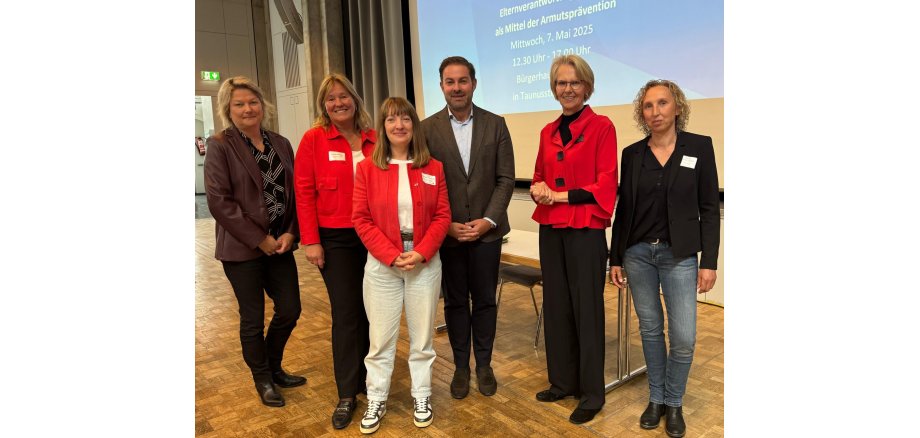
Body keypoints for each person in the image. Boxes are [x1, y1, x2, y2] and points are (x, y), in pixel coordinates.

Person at [609, 79, 719, 438]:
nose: (655, 112)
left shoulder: (699, 148)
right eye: (648, 106)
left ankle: (675, 402)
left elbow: (707, 207)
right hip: (638, 254)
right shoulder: (632, 154)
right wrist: (616, 258)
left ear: (677, 107)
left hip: (680, 256)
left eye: (662, 103)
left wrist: (709, 261)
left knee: (684, 336)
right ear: (642, 113)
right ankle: (656, 400)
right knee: (651, 331)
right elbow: (623, 209)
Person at [204, 76, 305, 408]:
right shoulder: (220, 144)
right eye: (239, 104)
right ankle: (262, 378)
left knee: (290, 309)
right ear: (227, 109)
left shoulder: (281, 142)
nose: (248, 109)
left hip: (280, 245)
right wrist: (257, 238)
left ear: (263, 105)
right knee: (252, 318)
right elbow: (220, 201)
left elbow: (294, 195)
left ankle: (274, 366)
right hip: (242, 249)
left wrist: (291, 231)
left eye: (253, 102)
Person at [352, 97, 451, 434]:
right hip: (383, 265)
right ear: (382, 127)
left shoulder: (433, 167)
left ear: (414, 125)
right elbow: (361, 219)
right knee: (380, 339)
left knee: (422, 338)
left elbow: (442, 215)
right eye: (391, 119)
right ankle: (376, 397)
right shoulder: (367, 168)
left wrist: (422, 252)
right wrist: (391, 254)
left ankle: (422, 395)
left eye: (405, 119)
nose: (399, 125)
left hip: (424, 261)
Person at [419, 56, 515, 399]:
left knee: (486, 300)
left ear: (473, 83)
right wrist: (446, 226)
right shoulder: (426, 129)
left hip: (487, 233)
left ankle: (484, 365)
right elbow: (424, 183)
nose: (456, 87)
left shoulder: (496, 124)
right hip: (449, 234)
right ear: (441, 86)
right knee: (456, 303)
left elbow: (505, 180)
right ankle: (461, 367)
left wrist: (488, 220)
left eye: (463, 80)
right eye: (450, 81)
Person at [529, 54, 618, 425]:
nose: (568, 89)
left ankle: (591, 393)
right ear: (554, 89)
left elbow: (605, 182)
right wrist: (537, 191)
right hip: (551, 228)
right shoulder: (547, 132)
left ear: (587, 87)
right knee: (557, 306)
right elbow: (537, 177)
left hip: (585, 229)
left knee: (587, 310)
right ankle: (562, 381)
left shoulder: (602, 126)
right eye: (561, 83)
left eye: (574, 82)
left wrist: (559, 195)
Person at [293, 73, 375, 429]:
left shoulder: (376, 139)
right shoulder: (313, 140)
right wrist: (311, 240)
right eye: (331, 99)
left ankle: (371, 382)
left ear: (355, 100)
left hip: (376, 236)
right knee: (347, 313)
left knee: (376, 311)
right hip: (337, 237)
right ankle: (347, 392)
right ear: (323, 106)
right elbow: (304, 191)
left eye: (344, 97)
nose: (338, 103)